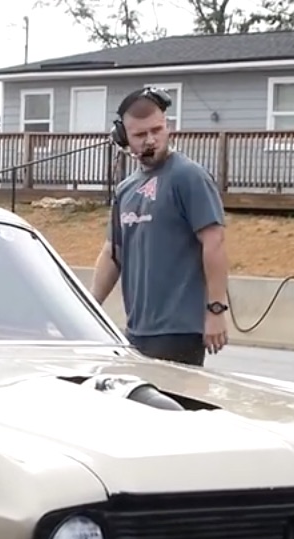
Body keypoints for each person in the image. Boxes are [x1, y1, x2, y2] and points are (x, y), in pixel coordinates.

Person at [89, 88, 231, 366]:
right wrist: (89, 306)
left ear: (169, 128)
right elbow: (112, 253)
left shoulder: (188, 176)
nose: (151, 140)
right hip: (137, 330)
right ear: (123, 138)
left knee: (173, 408)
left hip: (180, 330)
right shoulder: (125, 189)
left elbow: (214, 241)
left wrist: (216, 310)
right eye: (140, 135)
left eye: (157, 130)